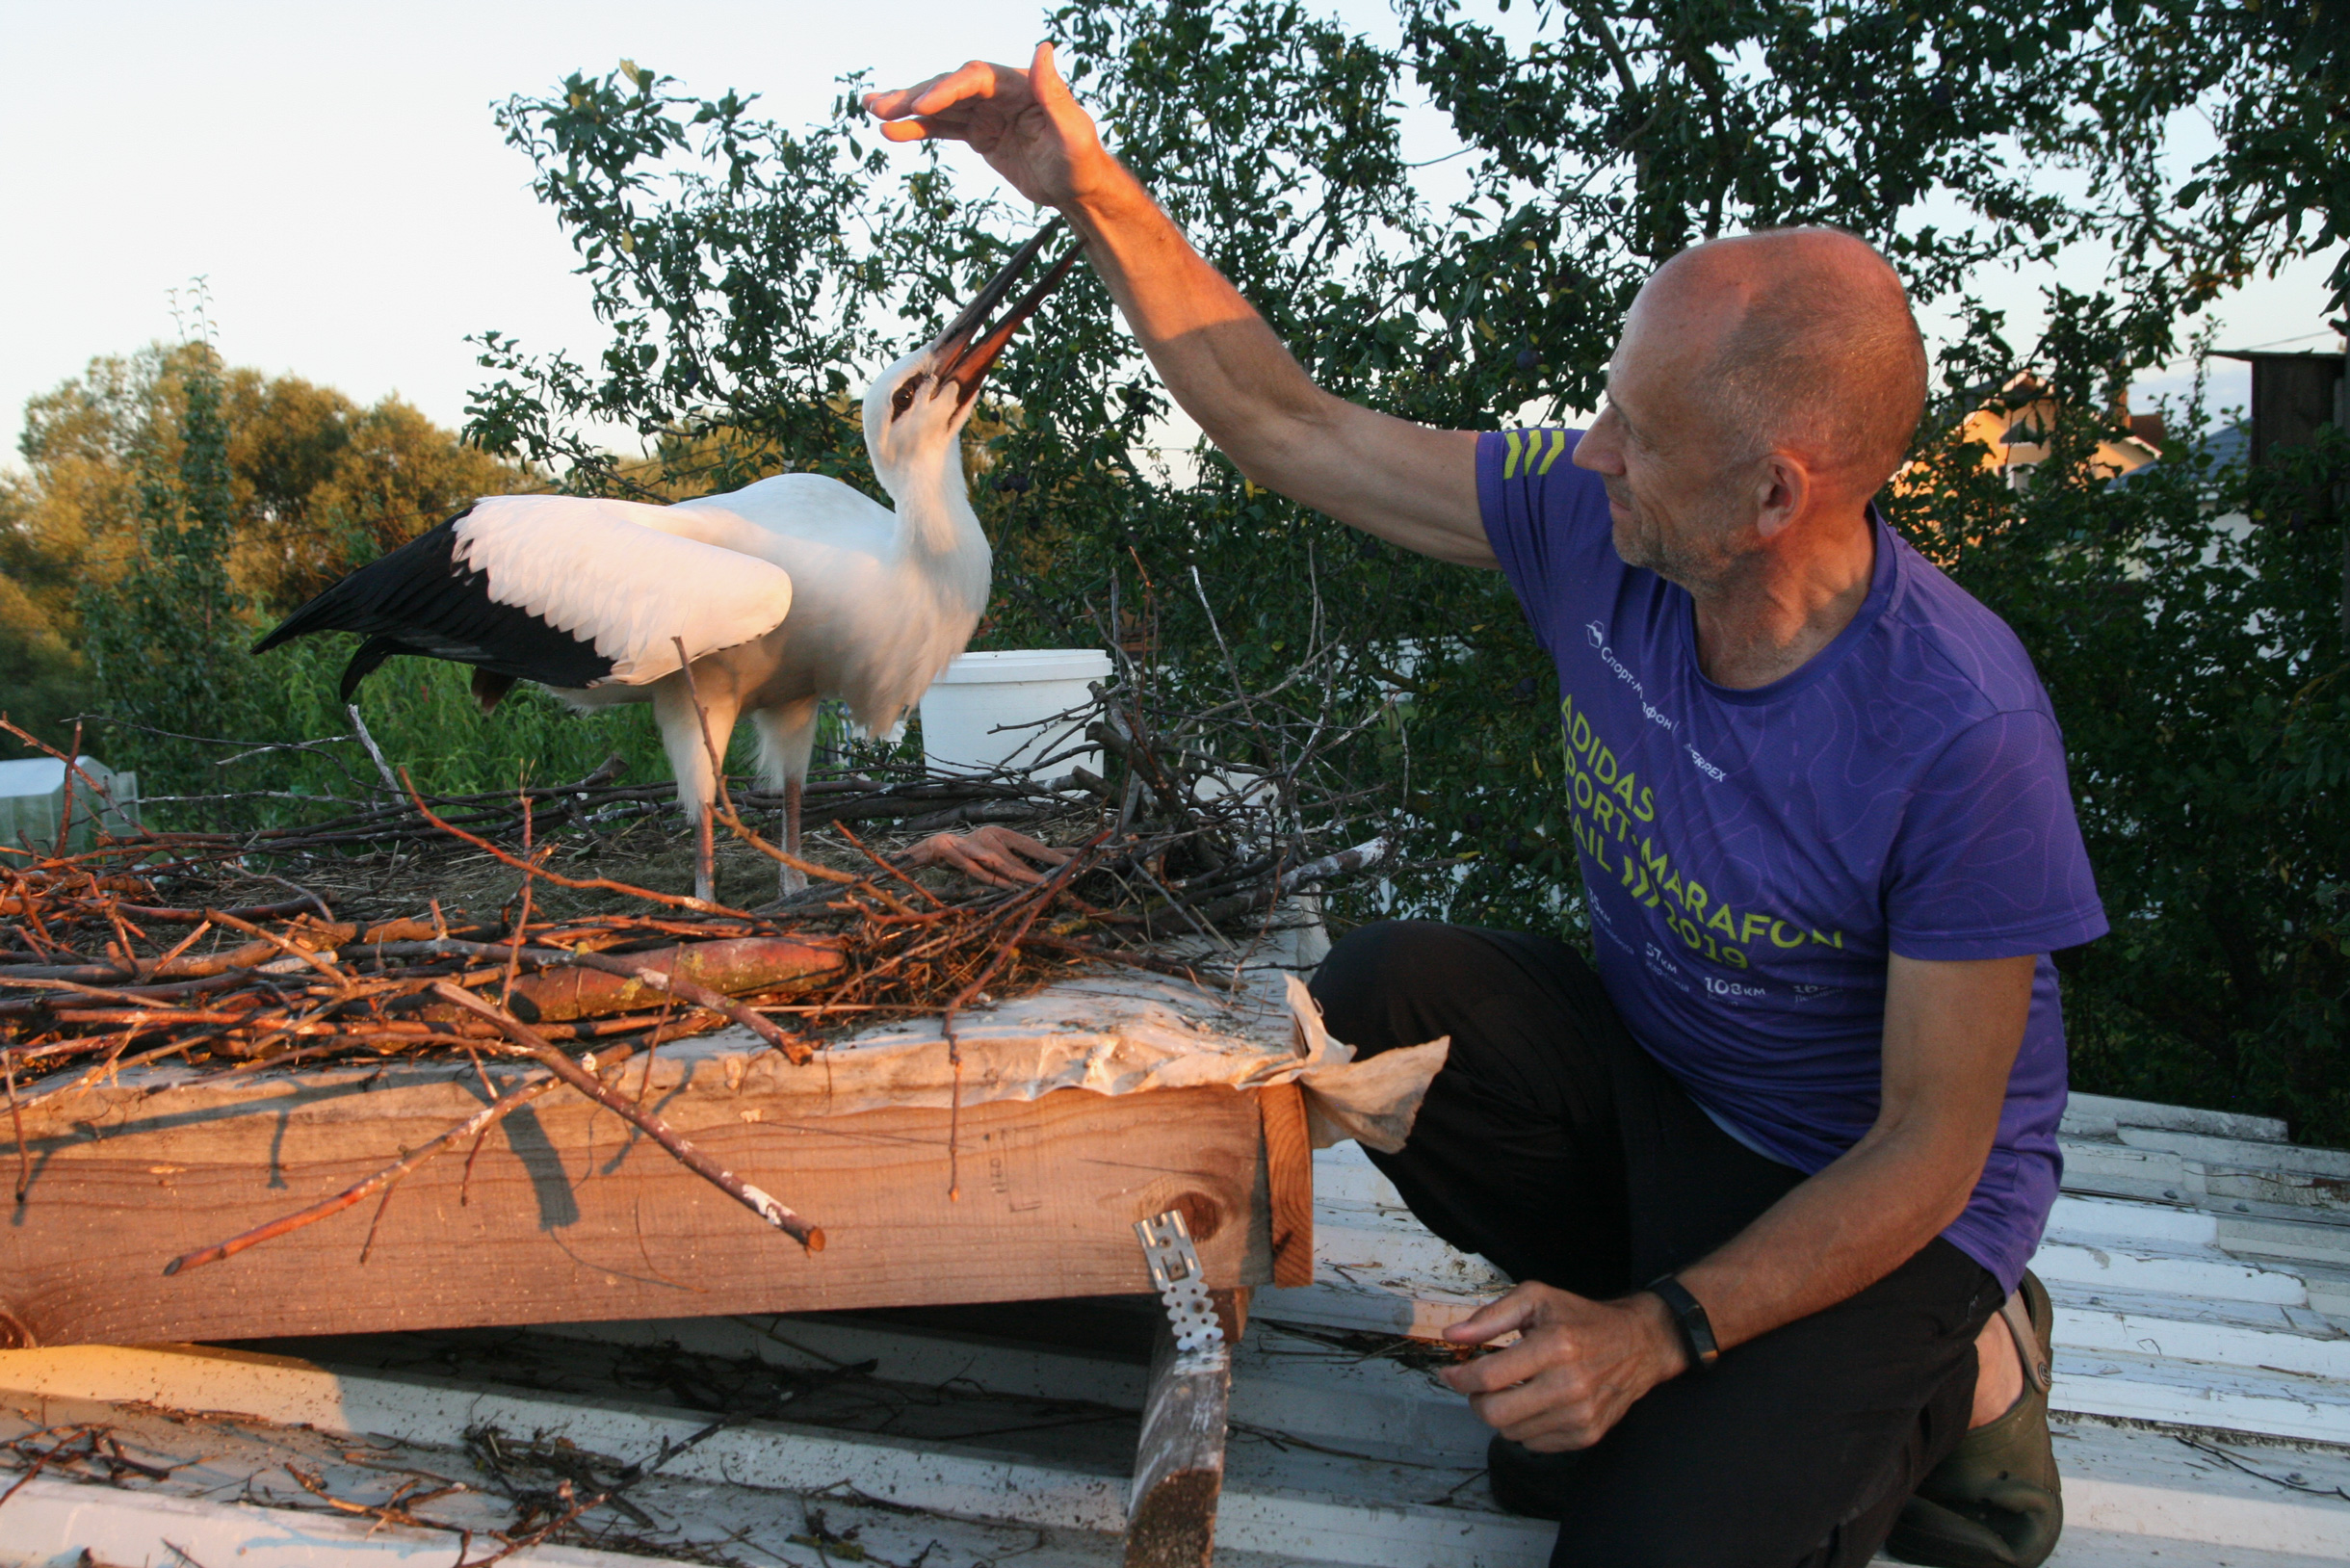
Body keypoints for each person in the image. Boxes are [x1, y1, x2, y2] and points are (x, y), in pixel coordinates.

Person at [866, 44, 2106, 1568]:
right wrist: (1089, 189)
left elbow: (1928, 1147)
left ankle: (1968, 1366)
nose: (1590, 457)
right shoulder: (1609, 527)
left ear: (1775, 498)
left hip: (1869, 1203)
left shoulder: (1958, 730)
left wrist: (1655, 1337)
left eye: (1635, 436)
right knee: (1382, 997)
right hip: (1666, 1103)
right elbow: (1289, 424)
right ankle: (1692, 1359)